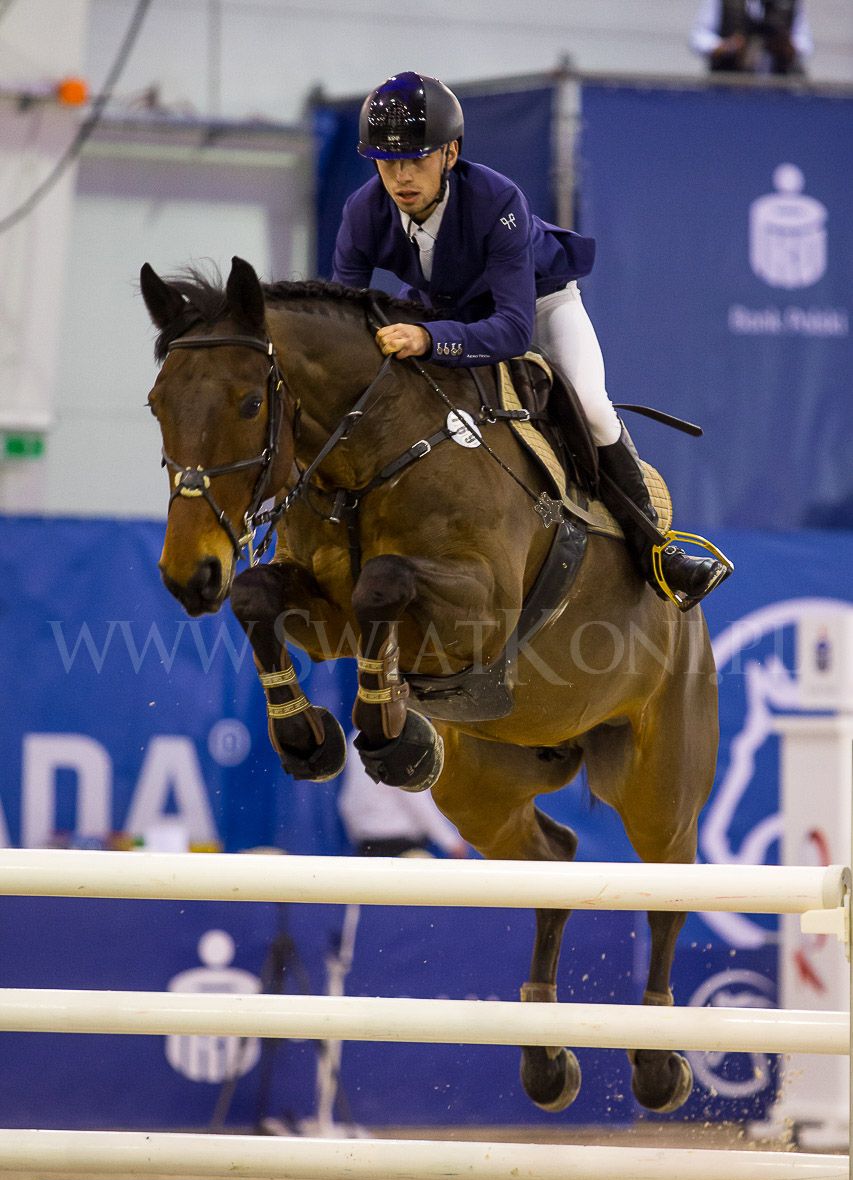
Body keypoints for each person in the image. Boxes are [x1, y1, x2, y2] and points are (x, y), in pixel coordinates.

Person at [332, 71, 730, 610]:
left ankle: (657, 551)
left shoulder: (497, 200)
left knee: (590, 406)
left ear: (450, 153)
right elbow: (344, 314)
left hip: (537, 303)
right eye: (387, 161)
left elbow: (513, 328)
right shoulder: (363, 211)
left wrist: (428, 338)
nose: (401, 176)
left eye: (417, 159)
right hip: (442, 306)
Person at [338, 732, 469, 858]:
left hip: (367, 848)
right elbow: (416, 800)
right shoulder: (401, 738)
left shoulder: (356, 739)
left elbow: (347, 802)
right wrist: (451, 842)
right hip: (401, 849)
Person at [691, 0, 813, 75]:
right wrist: (728, 47)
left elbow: (805, 43)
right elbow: (699, 37)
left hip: (776, 83)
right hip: (730, 82)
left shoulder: (789, 3)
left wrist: (787, 46)